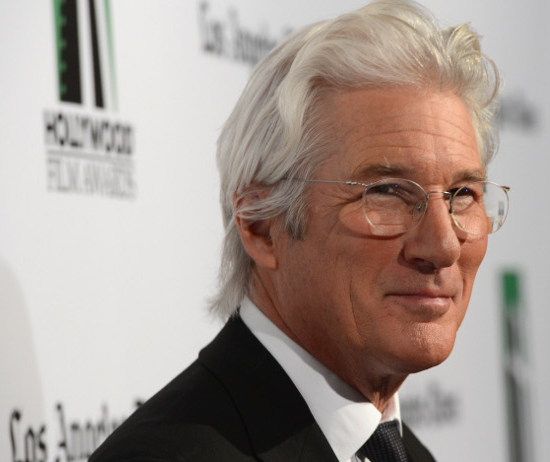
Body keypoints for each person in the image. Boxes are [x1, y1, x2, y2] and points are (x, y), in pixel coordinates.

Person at [90, 1, 508, 461]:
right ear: (261, 226)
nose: (444, 245)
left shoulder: (406, 453)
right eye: (388, 192)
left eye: (463, 194)